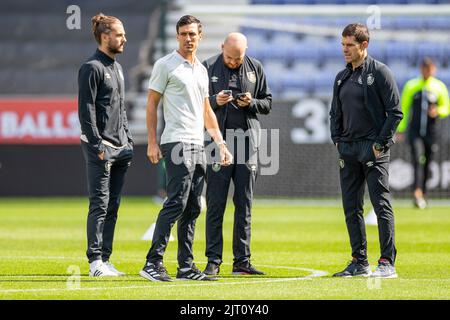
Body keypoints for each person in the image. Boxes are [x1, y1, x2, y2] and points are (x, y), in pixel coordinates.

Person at [139, 15, 232, 282]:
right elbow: (151, 104)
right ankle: (153, 262)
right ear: (177, 36)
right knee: (177, 201)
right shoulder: (165, 65)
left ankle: (186, 266)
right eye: (183, 34)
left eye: (192, 34)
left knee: (193, 206)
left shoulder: (202, 70)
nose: (188, 38)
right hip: (176, 141)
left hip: (198, 143)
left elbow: (206, 110)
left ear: (200, 36)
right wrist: (153, 142)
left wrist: (221, 144)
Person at [329, 23, 403, 278]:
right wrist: (337, 139)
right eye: (343, 44)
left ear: (364, 45)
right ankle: (359, 262)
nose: (345, 50)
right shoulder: (341, 77)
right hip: (348, 150)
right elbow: (334, 113)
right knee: (351, 207)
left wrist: (381, 144)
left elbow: (395, 113)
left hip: (373, 149)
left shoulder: (381, 73)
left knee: (380, 204)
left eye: (350, 45)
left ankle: (386, 263)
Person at [202, 33, 272, 276]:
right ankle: (213, 260)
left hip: (247, 145)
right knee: (215, 204)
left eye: (238, 58)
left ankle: (242, 261)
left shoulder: (256, 68)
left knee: (244, 204)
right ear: (222, 48)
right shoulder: (207, 66)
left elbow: (268, 103)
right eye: (230, 58)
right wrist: (216, 100)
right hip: (217, 144)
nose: (233, 62)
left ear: (246, 51)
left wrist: (251, 103)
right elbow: (198, 105)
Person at [78, 13, 134, 277]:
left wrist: (128, 139)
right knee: (99, 204)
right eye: (120, 34)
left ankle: (106, 259)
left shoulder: (117, 68)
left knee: (113, 205)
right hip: (100, 147)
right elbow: (85, 109)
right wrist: (97, 143)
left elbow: (119, 108)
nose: (124, 38)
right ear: (105, 36)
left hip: (121, 147)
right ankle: (95, 262)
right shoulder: (92, 67)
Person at [397, 57, 450, 209]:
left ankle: (424, 194)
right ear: (421, 69)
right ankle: (417, 192)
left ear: (433, 70)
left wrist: (437, 111)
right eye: (424, 69)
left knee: (428, 161)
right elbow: (405, 108)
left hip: (432, 132)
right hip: (415, 132)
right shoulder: (412, 86)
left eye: (430, 69)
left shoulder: (439, 87)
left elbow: (447, 107)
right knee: (417, 158)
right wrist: (401, 129)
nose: (427, 72)